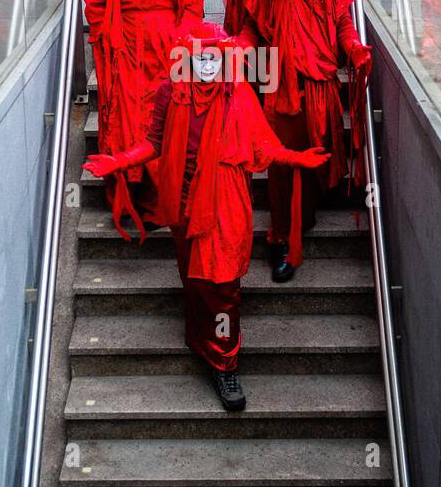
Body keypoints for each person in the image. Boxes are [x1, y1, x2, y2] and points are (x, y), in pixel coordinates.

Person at [83, 22, 329, 411]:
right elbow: (155, 143)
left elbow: (263, 143)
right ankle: (201, 338)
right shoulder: (171, 90)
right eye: (201, 58)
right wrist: (119, 161)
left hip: (225, 201)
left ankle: (225, 361)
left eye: (215, 57)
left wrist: (297, 157)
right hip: (182, 201)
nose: (209, 64)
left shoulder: (238, 92)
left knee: (223, 286)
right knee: (195, 281)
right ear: (188, 58)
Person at [238, 0, 370, 281]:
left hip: (320, 89)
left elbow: (344, 25)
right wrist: (240, 47)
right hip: (280, 89)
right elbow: (251, 27)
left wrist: (355, 48)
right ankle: (282, 238)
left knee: (315, 158)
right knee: (282, 167)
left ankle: (304, 217)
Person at [83, 0, 203, 236]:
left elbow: (194, 5)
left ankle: (159, 199)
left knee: (160, 120)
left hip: (166, 47)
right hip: (126, 47)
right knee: (125, 118)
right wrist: (103, 34)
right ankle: (128, 198)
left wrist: (180, 43)